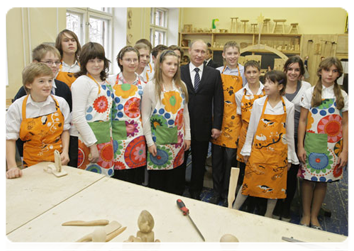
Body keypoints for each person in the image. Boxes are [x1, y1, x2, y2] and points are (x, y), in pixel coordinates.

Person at [233, 70, 299, 218]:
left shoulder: (288, 106)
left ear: (280, 87)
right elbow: (252, 129)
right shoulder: (258, 103)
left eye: (270, 82)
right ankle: (234, 209)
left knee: (274, 188)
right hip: (258, 153)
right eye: (266, 81)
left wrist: (290, 157)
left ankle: (268, 217)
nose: (266, 85)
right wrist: (247, 149)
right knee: (248, 183)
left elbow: (289, 134)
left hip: (278, 155)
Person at [297, 57, 350, 230]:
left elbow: (345, 124)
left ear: (338, 74)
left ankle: (314, 215)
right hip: (311, 143)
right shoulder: (310, 92)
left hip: (332, 145)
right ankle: (305, 215)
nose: (330, 74)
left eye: (334, 71)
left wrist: (344, 151)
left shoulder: (341, 95)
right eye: (327, 70)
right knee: (307, 180)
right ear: (320, 71)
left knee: (322, 181)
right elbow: (303, 121)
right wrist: (300, 146)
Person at [5, 63, 71, 179]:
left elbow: (65, 130)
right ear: (28, 84)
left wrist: (65, 152)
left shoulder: (60, 103)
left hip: (59, 161)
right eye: (41, 81)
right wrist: (12, 166)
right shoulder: (17, 107)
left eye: (50, 81)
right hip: (31, 163)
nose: (47, 85)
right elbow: (10, 138)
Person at [13, 44, 74, 164]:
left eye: (57, 62)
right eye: (49, 62)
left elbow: (66, 123)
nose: (54, 66)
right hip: (30, 155)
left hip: (57, 153)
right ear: (36, 63)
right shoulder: (24, 93)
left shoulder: (64, 89)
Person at [142, 50, 191, 194]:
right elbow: (145, 116)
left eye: (175, 64)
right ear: (160, 65)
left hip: (178, 141)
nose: (173, 67)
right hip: (158, 142)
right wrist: (149, 142)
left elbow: (185, 112)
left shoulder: (181, 85)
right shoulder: (151, 86)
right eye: (169, 63)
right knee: (158, 183)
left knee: (174, 181)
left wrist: (188, 135)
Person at [180, 39, 224, 200]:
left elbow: (218, 101)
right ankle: (178, 190)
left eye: (202, 52)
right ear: (189, 51)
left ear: (207, 54)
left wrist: (217, 125)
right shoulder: (179, 71)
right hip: (180, 126)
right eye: (196, 51)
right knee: (180, 161)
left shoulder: (214, 74)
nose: (199, 55)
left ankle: (195, 193)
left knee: (199, 163)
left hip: (203, 126)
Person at [272, 56, 311, 221]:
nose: (293, 73)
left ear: (301, 72)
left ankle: (286, 208)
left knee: (291, 173)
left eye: (297, 70)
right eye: (290, 69)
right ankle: (275, 207)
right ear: (285, 70)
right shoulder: (278, 85)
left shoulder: (307, 88)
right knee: (276, 173)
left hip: (295, 137)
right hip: (275, 137)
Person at [71, 42, 114, 176]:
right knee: (89, 181)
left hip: (106, 137)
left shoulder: (106, 82)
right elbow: (77, 117)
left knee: (105, 181)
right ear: (84, 63)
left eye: (99, 60)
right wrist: (92, 145)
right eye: (91, 61)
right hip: (87, 141)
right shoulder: (82, 82)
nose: (96, 64)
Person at [209, 41, 244, 205]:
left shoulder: (244, 72)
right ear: (223, 55)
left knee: (230, 160)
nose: (232, 56)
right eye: (229, 53)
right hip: (219, 120)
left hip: (236, 122)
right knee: (216, 160)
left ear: (239, 54)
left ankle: (227, 192)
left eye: (235, 53)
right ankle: (216, 192)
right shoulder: (216, 72)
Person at [108, 46, 146, 184]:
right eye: (128, 59)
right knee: (119, 177)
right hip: (116, 133)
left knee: (136, 177)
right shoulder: (110, 81)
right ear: (120, 61)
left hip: (137, 134)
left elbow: (145, 111)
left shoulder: (144, 84)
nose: (132, 63)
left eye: (135, 59)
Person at [235, 60, 265, 212]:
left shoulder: (267, 91)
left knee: (261, 170)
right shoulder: (240, 94)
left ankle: (259, 203)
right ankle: (245, 203)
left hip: (264, 136)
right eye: (249, 72)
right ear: (244, 74)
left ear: (260, 72)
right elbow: (240, 118)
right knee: (246, 170)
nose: (252, 75)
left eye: (255, 72)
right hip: (246, 135)